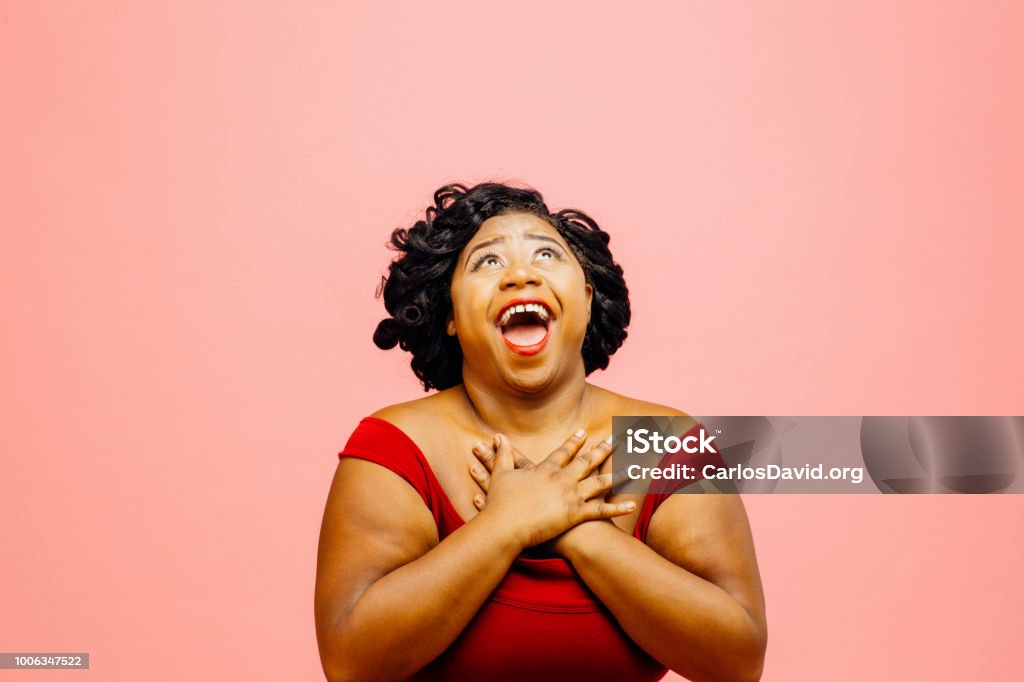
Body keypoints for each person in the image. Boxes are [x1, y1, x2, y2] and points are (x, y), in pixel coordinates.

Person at [314, 182, 767, 682]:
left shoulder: (669, 441)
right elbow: (351, 664)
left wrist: (577, 528)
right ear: (449, 318)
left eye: (546, 254)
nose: (520, 274)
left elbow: (737, 660)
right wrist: (505, 525)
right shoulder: (394, 447)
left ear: (588, 298)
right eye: (487, 262)